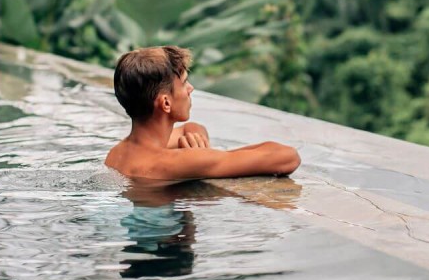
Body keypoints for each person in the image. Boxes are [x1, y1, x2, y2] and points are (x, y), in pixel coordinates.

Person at [105, 45, 301, 181]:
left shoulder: (117, 153)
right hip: (167, 238)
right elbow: (288, 157)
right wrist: (203, 157)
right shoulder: (172, 163)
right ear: (166, 102)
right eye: (183, 83)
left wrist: (197, 142)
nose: (190, 89)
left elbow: (191, 128)